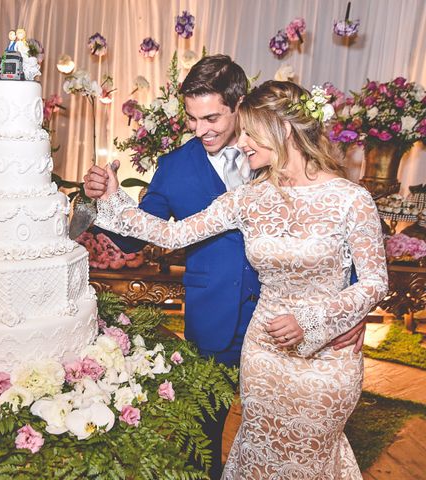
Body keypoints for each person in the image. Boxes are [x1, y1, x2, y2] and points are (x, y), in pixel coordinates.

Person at [83, 56, 366, 479]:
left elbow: (341, 241)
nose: (201, 130)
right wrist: (107, 198)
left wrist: (349, 310)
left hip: (304, 332)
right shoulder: (176, 166)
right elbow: (150, 233)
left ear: (239, 106)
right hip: (215, 318)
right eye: (193, 119)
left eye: (212, 117)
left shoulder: (304, 174)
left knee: (298, 441)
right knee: (204, 433)